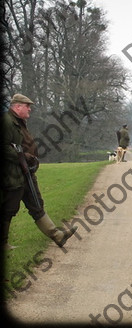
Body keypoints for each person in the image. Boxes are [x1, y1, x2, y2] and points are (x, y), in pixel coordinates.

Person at [1, 94, 78, 250]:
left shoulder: (19, 122)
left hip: (25, 173)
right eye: (27, 106)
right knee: (9, 208)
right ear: (17, 106)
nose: (30, 109)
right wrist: (23, 156)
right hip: (13, 174)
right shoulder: (7, 122)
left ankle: (58, 236)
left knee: (36, 204)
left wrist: (29, 159)